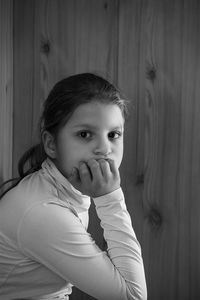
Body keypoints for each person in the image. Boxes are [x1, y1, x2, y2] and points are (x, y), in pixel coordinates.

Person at [0, 73, 147, 300]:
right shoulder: (42, 211)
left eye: (113, 134)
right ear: (51, 144)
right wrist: (110, 198)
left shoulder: (64, 188)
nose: (104, 148)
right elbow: (132, 296)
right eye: (85, 134)